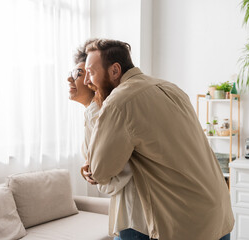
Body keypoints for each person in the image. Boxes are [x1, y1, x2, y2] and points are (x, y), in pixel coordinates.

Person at [82, 39, 234, 240]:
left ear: (115, 70)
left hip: (185, 225)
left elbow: (100, 172)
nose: (86, 81)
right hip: (218, 213)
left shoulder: (119, 102)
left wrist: (90, 103)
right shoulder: (172, 88)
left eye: (91, 72)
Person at [68, 42, 149, 240]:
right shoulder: (91, 114)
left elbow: (117, 167)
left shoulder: (107, 114)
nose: (71, 78)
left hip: (135, 212)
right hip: (126, 210)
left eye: (82, 73)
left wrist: (96, 172)